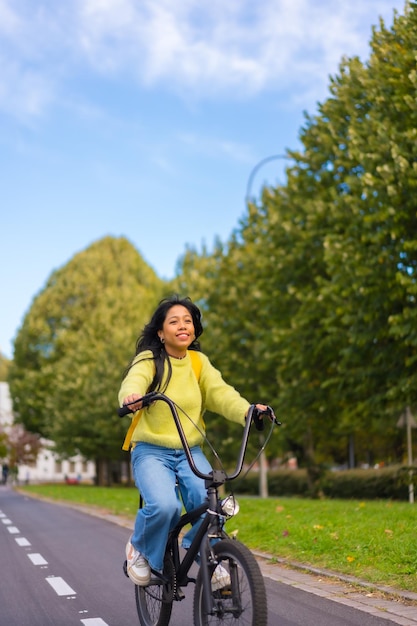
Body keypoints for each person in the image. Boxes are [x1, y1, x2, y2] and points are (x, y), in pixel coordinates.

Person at [119, 295, 271, 588]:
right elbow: (134, 381)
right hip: (151, 451)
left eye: (187, 321)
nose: (182, 326)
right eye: (173, 321)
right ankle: (138, 548)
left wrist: (248, 411)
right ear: (161, 332)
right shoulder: (150, 360)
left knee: (210, 505)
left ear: (195, 328)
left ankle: (209, 560)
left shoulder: (199, 363)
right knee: (165, 507)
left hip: (190, 451)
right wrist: (132, 397)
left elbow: (221, 393)